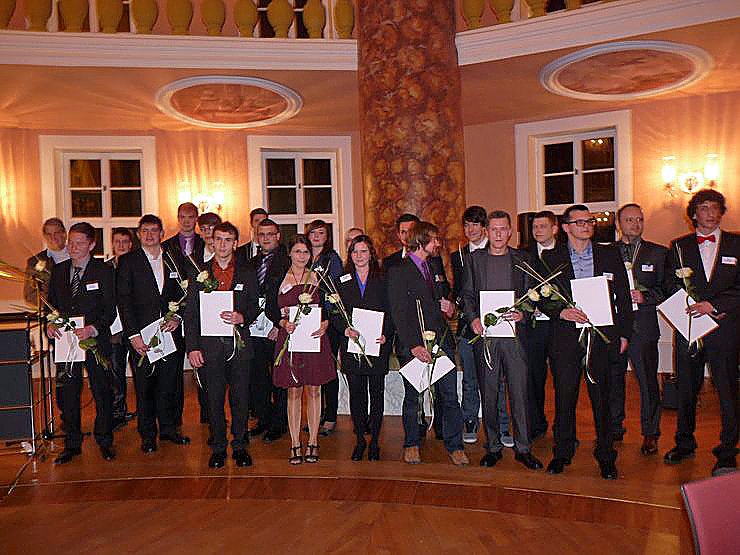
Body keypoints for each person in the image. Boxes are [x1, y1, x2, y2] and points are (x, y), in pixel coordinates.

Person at [540, 204, 632, 480]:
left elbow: (623, 296)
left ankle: (606, 455)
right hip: (565, 339)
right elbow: (541, 296)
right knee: (564, 397)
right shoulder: (550, 257)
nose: (586, 226)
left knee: (602, 399)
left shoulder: (609, 254)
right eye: (579, 222)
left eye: (589, 221)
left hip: (601, 338)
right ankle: (562, 452)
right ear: (565, 227)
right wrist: (560, 312)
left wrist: (624, 333)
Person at [663, 189, 739, 476]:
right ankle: (684, 443)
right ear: (693, 214)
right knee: (686, 389)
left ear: (721, 212)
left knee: (728, 391)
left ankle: (728, 451)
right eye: (704, 208)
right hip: (690, 327)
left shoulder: (737, 243)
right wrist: (692, 305)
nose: (710, 213)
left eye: (715, 208)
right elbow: (669, 284)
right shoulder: (678, 246)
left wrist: (714, 305)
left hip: (725, 329)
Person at [460, 210, 543, 470]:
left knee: (519, 393)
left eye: (502, 229)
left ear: (510, 232)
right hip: (486, 337)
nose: (498, 234)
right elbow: (467, 295)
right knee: (489, 392)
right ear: (487, 232)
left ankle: (523, 448)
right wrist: (473, 318)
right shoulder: (474, 260)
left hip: (514, 338)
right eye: (493, 229)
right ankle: (493, 446)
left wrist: (523, 313)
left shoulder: (523, 259)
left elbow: (532, 295)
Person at [387, 221, 468, 466]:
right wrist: (414, 345)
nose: (438, 244)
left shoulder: (434, 265)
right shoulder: (398, 271)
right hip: (413, 345)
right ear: (421, 240)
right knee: (413, 398)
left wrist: (450, 308)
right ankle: (411, 444)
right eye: (434, 239)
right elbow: (398, 312)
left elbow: (443, 298)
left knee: (450, 396)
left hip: (441, 340)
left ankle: (455, 446)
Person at [184, 222, 259, 469]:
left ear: (235, 243)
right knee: (213, 400)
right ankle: (217, 447)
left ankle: (240, 445)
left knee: (241, 399)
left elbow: (255, 305)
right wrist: (192, 347)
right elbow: (191, 313)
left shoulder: (247, 272)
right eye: (218, 239)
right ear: (211, 241)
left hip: (239, 347)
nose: (223, 244)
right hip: (209, 348)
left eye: (228, 240)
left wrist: (242, 317)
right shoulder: (198, 272)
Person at [117, 215, 191, 454]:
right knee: (145, 386)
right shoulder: (128, 262)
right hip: (142, 337)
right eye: (145, 231)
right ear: (139, 234)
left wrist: (177, 317)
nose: (150, 235)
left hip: (170, 333)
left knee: (170, 384)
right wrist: (133, 335)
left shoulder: (174, 258)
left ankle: (169, 429)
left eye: (154, 230)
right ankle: (148, 434)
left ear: (162, 233)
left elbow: (186, 293)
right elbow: (124, 301)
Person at [47, 222, 116, 464]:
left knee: (102, 390)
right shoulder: (58, 271)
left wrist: (92, 328)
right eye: (71, 242)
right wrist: (50, 324)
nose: (73, 247)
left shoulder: (103, 271)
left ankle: (104, 440)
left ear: (92, 245)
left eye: (79, 243)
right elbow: (52, 306)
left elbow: (110, 310)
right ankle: (72, 443)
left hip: (95, 340)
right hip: (66, 343)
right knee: (68, 393)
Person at [269, 235, 335, 464]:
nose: (302, 256)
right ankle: (295, 442)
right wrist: (281, 323)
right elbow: (270, 309)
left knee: (315, 390)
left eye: (306, 252)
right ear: (289, 253)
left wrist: (325, 322)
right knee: (294, 391)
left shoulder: (318, 277)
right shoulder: (278, 277)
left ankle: (313, 440)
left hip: (314, 339)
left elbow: (328, 307)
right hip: (290, 339)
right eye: (297, 251)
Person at [612, 203, 667, 456]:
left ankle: (650, 433)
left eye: (639, 220)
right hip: (614, 326)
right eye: (629, 220)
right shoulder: (607, 252)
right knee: (613, 379)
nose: (635, 224)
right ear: (618, 223)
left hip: (643, 327)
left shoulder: (658, 253)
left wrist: (646, 297)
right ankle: (614, 427)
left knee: (647, 381)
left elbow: (667, 288)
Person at [333, 235, 394, 461]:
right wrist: (344, 329)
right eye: (355, 252)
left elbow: (393, 310)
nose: (359, 256)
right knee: (356, 395)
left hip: (378, 344)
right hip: (352, 345)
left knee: (376, 395)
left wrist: (387, 333)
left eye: (363, 251)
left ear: (371, 254)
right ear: (350, 255)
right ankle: (359, 440)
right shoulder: (341, 280)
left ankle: (375, 442)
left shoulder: (383, 278)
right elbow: (334, 312)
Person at [245, 218, 290, 442]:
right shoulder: (250, 263)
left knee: (278, 377)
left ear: (278, 236)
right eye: (261, 234)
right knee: (257, 377)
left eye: (270, 234)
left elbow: (292, 296)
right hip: (254, 327)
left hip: (276, 327)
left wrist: (278, 325)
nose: (265, 238)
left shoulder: (288, 261)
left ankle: (279, 422)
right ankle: (263, 418)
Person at [162, 201, 203, 429]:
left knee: (204, 365)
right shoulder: (166, 246)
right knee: (174, 369)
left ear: (196, 218)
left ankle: (208, 415)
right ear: (178, 219)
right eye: (182, 217)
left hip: (198, 311)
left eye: (190, 217)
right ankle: (174, 418)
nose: (186, 221)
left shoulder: (205, 243)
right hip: (174, 311)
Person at [450, 206, 487, 444]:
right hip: (467, 325)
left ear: (484, 227)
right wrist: (454, 304)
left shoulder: (497, 251)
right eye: (466, 225)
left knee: (496, 379)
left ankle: (501, 424)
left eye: (475, 224)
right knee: (469, 377)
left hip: (494, 324)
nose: (470, 229)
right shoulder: (458, 256)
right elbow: (458, 290)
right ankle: (470, 420)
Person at [524, 210, 560, 441]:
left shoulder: (566, 253)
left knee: (562, 379)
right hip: (534, 326)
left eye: (543, 226)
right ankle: (536, 424)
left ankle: (563, 427)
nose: (537, 231)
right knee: (533, 378)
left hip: (559, 326)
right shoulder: (524, 255)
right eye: (535, 227)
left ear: (554, 229)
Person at [306, 219, 343, 436]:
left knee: (328, 370)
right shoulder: (303, 256)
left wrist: (328, 317)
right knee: (313, 370)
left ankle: (330, 416)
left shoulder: (332, 259)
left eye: (321, 233)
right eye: (313, 232)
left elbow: (336, 290)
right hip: (307, 318)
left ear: (327, 237)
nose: (317, 236)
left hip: (328, 320)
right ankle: (316, 413)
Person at [108, 227, 135, 430]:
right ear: (112, 244)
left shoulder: (138, 265)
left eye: (125, 242)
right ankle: (117, 411)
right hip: (114, 328)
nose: (121, 245)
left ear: (131, 244)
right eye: (117, 241)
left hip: (135, 326)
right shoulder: (106, 268)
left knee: (140, 371)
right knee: (116, 371)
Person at [24, 217, 69, 304]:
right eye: (49, 234)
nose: (53, 237)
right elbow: (30, 295)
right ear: (44, 236)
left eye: (56, 233)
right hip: (51, 310)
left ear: (64, 234)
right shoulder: (35, 262)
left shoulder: (77, 256)